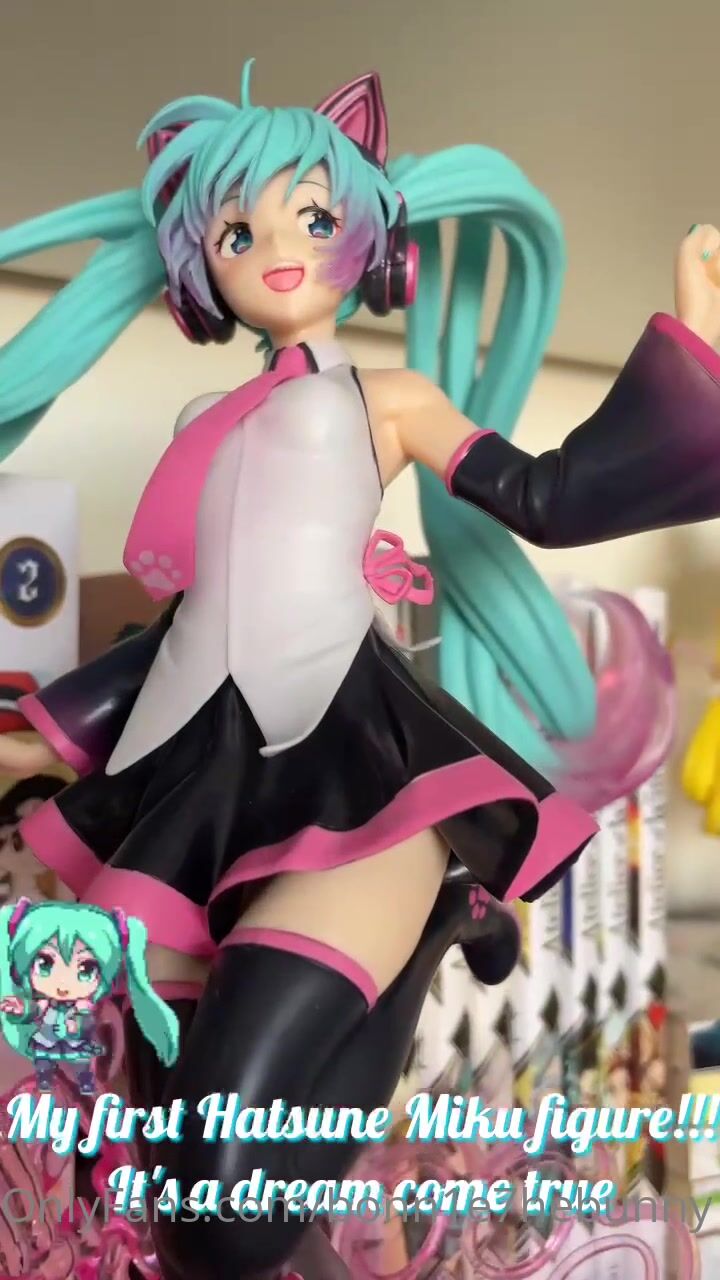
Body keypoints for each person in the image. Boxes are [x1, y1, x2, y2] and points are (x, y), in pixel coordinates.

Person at [1, 63, 720, 1279]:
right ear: (200, 259)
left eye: (315, 216)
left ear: (365, 231)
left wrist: (694, 356)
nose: (281, 250)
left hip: (357, 780)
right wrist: (50, 736)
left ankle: (429, 915)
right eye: (241, 230)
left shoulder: (387, 400)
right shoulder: (202, 430)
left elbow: (548, 496)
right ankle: (437, 930)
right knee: (191, 1218)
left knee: (221, 1214)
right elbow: (196, 626)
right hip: (203, 789)